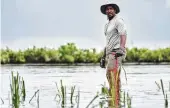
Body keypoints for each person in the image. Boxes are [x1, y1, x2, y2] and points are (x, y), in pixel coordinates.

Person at [100, 3, 127, 107]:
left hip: (116, 52)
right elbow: (108, 41)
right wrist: (103, 56)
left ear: (115, 10)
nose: (109, 11)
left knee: (112, 74)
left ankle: (115, 101)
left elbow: (123, 35)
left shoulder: (118, 21)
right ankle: (115, 98)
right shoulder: (107, 24)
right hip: (109, 53)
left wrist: (122, 49)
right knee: (110, 75)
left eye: (111, 9)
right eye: (107, 9)